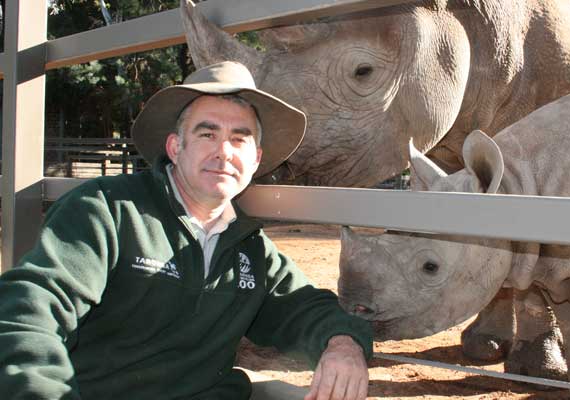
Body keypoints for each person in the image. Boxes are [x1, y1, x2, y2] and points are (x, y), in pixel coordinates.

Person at [0, 61, 372, 400]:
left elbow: (306, 308)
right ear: (176, 147)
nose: (224, 152)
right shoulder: (106, 211)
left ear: (256, 159)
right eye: (208, 135)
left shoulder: (248, 247)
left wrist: (343, 344)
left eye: (240, 138)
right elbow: (31, 310)